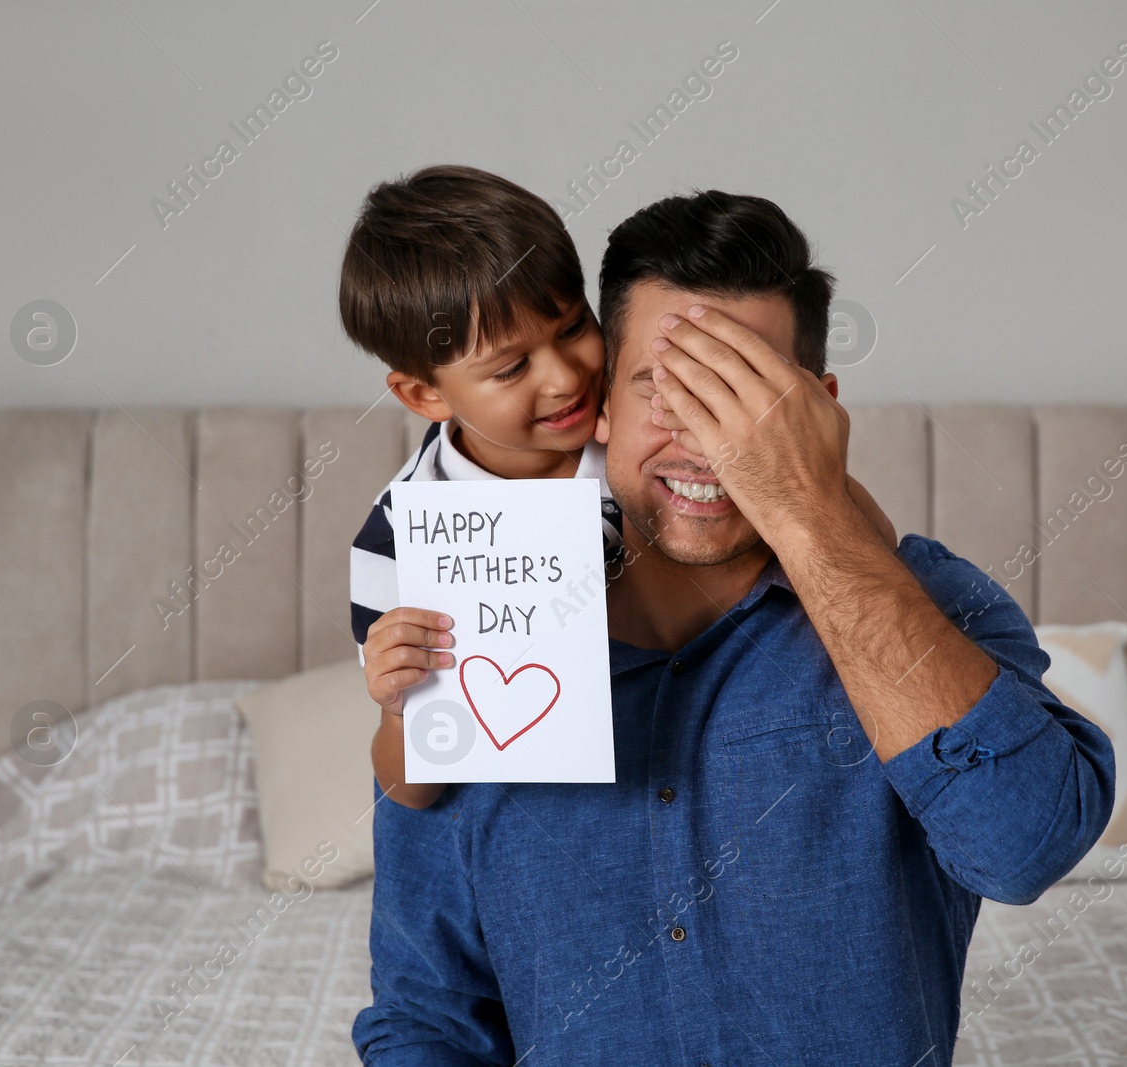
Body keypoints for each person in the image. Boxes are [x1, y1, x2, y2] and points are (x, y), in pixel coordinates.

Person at [351, 189, 1117, 1064]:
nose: (709, 444)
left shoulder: (938, 604)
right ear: (601, 404)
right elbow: (427, 1014)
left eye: (747, 399)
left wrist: (809, 507)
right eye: (669, 390)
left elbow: (1025, 848)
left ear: (819, 413)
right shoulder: (476, 625)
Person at [339, 165, 893, 810]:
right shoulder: (397, 545)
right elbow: (413, 795)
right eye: (512, 366)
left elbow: (859, 538)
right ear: (424, 393)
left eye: (574, 328)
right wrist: (401, 711)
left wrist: (809, 488)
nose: (567, 377)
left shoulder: (644, 431)